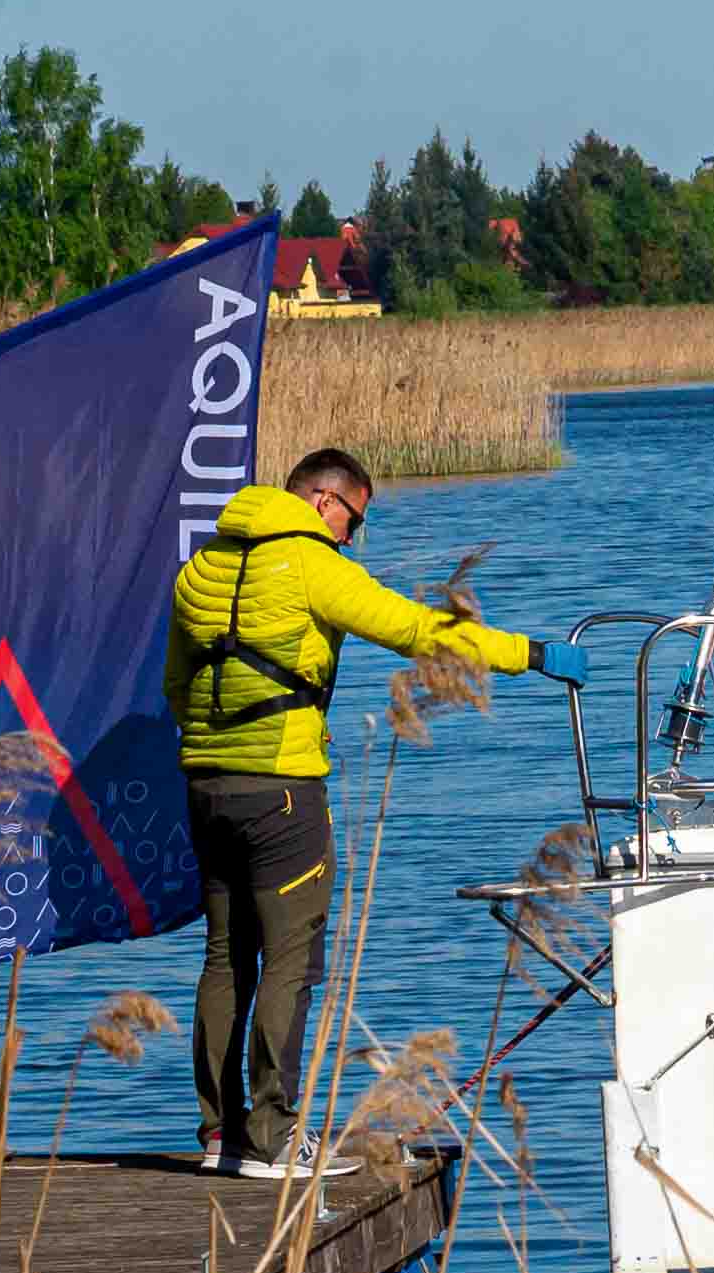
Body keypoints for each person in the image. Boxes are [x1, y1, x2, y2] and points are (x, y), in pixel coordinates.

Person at [168, 446, 580, 1174]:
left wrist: (227, 738)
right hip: (283, 790)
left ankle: (220, 1135)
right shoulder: (310, 562)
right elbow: (418, 631)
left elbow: (177, 684)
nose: (353, 537)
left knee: (225, 958)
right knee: (291, 963)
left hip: (205, 784)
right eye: (354, 520)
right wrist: (530, 653)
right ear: (323, 500)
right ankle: (274, 1140)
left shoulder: (201, 567)